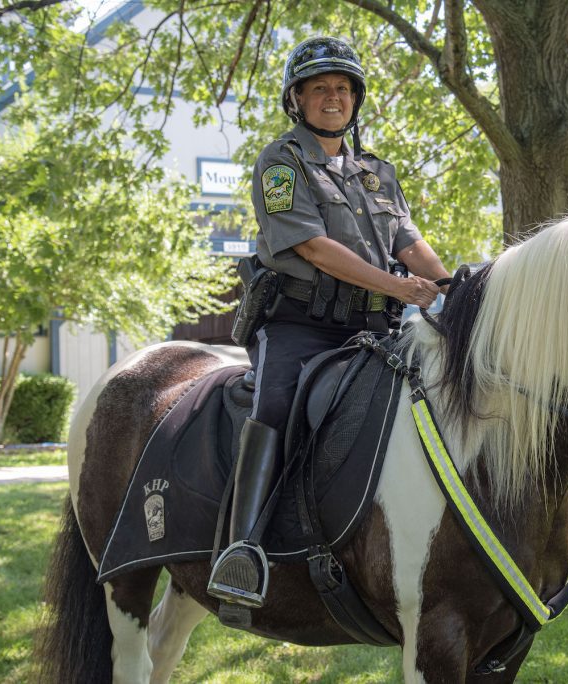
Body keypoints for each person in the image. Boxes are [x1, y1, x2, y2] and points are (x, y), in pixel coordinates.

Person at [207, 37, 450, 608]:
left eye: (342, 88)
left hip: (374, 327)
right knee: (273, 405)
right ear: (297, 100)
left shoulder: (377, 173)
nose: (333, 98)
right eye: (319, 88)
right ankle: (241, 550)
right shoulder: (282, 162)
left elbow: (408, 242)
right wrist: (400, 288)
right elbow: (313, 247)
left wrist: (447, 289)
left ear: (356, 99)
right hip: (299, 326)